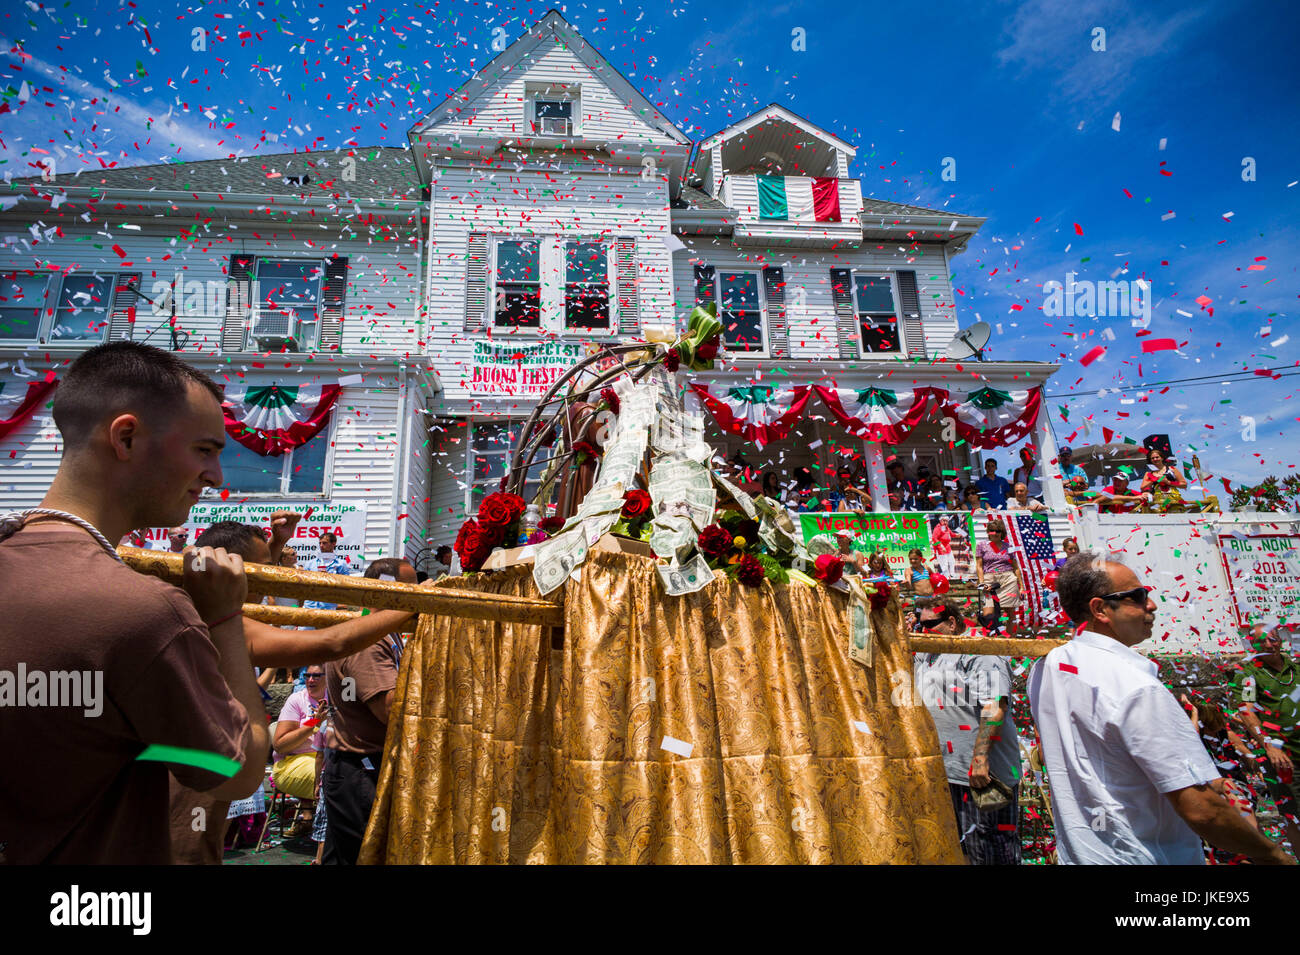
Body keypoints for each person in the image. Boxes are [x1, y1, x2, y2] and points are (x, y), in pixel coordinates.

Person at [0, 341, 268, 864]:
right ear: (126, 437)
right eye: (205, 451)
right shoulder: (145, 611)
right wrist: (224, 617)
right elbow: (238, 775)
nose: (216, 477)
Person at [168, 517, 421, 864]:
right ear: (231, 572)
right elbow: (333, 643)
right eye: (265, 570)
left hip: (196, 763)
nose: (272, 579)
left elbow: (249, 577)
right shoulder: (221, 621)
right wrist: (413, 603)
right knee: (186, 849)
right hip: (193, 776)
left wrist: (275, 542)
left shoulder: (189, 606)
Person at [1028, 553, 1294, 864]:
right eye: (1138, 597)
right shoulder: (1135, 687)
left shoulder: (1047, 668)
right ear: (1100, 609)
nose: (1151, 605)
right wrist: (1275, 856)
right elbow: (1203, 811)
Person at [322, 556, 417, 865]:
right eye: (412, 591)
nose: (419, 598)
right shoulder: (368, 638)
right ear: (386, 591)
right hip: (360, 771)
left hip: (359, 768)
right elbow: (390, 712)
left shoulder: (384, 633)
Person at [912, 597, 1022, 864]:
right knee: (960, 852)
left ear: (951, 622)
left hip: (983, 776)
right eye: (919, 623)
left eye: (930, 624)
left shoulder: (979, 651)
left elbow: (995, 707)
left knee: (992, 851)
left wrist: (980, 758)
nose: (923, 630)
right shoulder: (928, 652)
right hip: (948, 774)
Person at [1233, 624, 1300, 855]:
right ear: (1254, 645)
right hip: (1284, 757)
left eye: (1273, 639)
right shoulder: (1249, 674)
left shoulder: (1294, 667)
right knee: (1294, 814)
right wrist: (1269, 747)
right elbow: (1246, 710)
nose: (1270, 645)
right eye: (1263, 641)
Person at [1178, 692, 1266, 864]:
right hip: (1208, 787)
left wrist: (1253, 758)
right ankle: (1243, 849)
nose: (1215, 728)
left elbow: (1253, 761)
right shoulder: (1194, 737)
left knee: (1232, 788)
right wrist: (1193, 713)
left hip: (1237, 786)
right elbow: (1191, 739)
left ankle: (1252, 843)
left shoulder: (1227, 736)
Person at [273, 667, 328, 836]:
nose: (310, 679)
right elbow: (280, 745)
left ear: (328, 677)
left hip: (325, 758)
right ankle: (324, 836)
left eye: (316, 676)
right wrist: (314, 723)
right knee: (331, 776)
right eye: (307, 675)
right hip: (291, 763)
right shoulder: (296, 700)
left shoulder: (337, 698)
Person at [976, 520, 1022, 635]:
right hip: (989, 580)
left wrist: (1021, 586)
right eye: (991, 530)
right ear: (988, 532)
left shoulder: (1009, 546)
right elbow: (979, 566)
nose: (994, 533)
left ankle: (1010, 642)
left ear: (1002, 532)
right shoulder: (981, 545)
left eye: (997, 531)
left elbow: (1015, 567)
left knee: (1011, 614)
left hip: (1008, 579)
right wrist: (982, 583)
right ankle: (991, 642)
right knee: (988, 614)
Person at [1141, 447, 1187, 512]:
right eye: (1152, 458)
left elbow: (1184, 484)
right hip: (1158, 501)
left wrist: (1168, 482)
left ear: (1162, 458)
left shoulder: (1172, 469)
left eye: (1157, 457)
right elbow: (1143, 488)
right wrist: (1153, 479)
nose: (1155, 459)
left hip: (1174, 499)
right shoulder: (1149, 473)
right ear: (1150, 460)